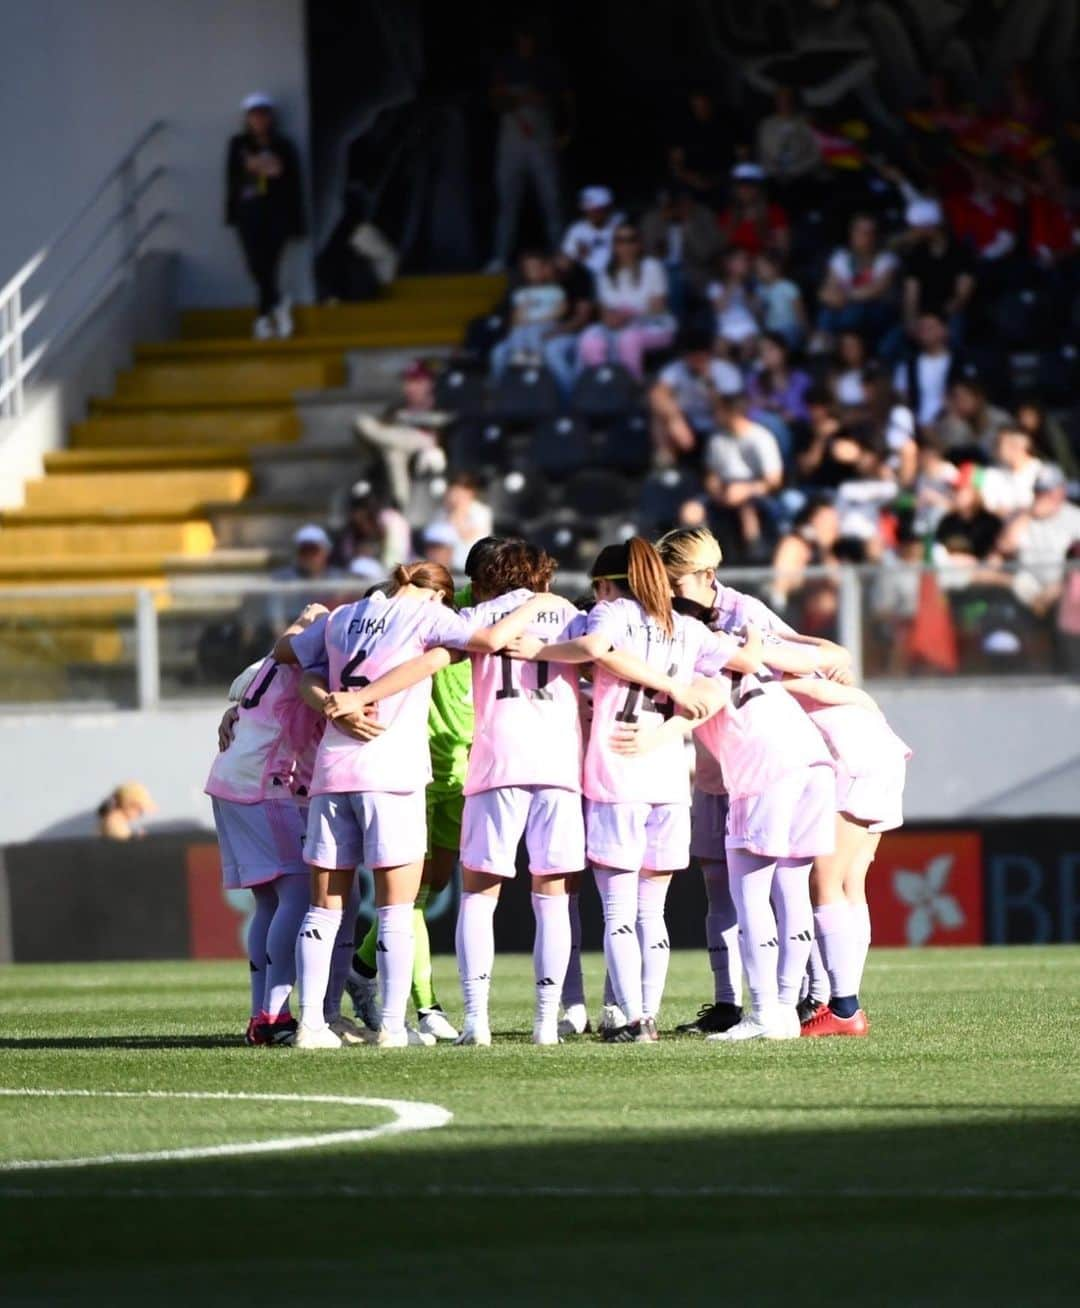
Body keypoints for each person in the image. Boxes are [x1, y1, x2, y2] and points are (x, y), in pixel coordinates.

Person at [273, 560, 547, 1048]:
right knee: (397, 908)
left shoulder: (342, 617)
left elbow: (286, 656)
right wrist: (539, 602)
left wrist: (335, 702)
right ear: (438, 595)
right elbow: (483, 641)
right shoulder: (426, 616)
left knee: (324, 909)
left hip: (333, 773)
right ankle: (395, 1027)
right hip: (392, 774)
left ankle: (311, 1023)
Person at [511, 538, 753, 1043]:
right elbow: (743, 664)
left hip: (617, 772)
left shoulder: (612, 614)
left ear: (607, 584)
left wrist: (541, 650)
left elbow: (594, 649)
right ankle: (646, 1013)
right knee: (652, 913)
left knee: (619, 914)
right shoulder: (686, 627)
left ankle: (634, 1019)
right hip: (669, 777)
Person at [346, 538, 504, 1043]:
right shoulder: (437, 614)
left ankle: (362, 966)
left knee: (431, 887)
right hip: (417, 768)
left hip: (465, 770)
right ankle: (427, 1005)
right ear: (476, 582)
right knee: (408, 895)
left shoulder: (496, 620)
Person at [205, 605, 327, 1046]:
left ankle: (262, 1014)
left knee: (270, 903)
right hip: (264, 784)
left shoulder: (265, 664)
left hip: (227, 780)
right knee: (296, 892)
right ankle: (274, 1015)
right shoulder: (311, 665)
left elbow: (238, 691)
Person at [783, 677, 910, 1037]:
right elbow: (832, 657)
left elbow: (824, 679)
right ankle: (836, 1002)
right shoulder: (805, 655)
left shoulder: (762, 654)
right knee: (851, 879)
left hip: (859, 763)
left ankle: (842, 1006)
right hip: (883, 754)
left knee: (824, 879)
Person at [487, 22, 571, 271]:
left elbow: (564, 98)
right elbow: (496, 99)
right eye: (522, 38)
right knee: (507, 202)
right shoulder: (504, 65)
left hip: (541, 140)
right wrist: (519, 99)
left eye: (531, 38)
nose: (526, 43)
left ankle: (560, 257)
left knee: (551, 200)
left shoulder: (547, 66)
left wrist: (566, 130)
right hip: (512, 140)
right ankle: (499, 257)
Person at [225, 93, 305, 340]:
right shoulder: (239, 144)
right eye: (254, 115)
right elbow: (234, 176)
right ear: (247, 119)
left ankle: (263, 317)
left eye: (263, 115)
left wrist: (262, 166)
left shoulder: (283, 145)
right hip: (249, 211)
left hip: (277, 212)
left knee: (270, 262)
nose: (259, 120)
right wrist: (260, 167)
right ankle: (278, 304)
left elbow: (287, 176)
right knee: (255, 263)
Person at [577, 224, 676, 379]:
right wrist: (611, 319)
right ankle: (604, 383)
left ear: (639, 244)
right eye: (620, 241)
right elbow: (604, 312)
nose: (626, 245)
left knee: (628, 338)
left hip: (654, 324)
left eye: (631, 240)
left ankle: (630, 389)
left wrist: (629, 315)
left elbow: (658, 307)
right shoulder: (604, 272)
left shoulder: (651, 266)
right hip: (617, 326)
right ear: (614, 245)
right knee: (590, 339)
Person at [353, 360, 451, 513]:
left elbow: (446, 427)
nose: (409, 387)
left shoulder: (440, 403)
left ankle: (400, 507)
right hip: (399, 446)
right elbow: (384, 427)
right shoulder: (396, 407)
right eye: (407, 382)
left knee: (391, 447)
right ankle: (402, 505)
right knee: (383, 443)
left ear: (429, 383)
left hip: (426, 447)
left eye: (416, 381)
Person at [703, 392, 785, 560]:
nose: (714, 416)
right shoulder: (717, 440)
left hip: (757, 491)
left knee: (746, 507)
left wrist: (746, 490)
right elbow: (711, 475)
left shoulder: (761, 437)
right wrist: (716, 490)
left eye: (718, 411)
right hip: (724, 490)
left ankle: (755, 560)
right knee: (692, 511)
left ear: (731, 413)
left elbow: (774, 480)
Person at [648, 327, 742, 463]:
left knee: (730, 419)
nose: (694, 361)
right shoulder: (676, 369)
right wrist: (675, 419)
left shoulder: (726, 372)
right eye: (690, 356)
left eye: (699, 357)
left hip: (717, 421)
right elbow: (656, 395)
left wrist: (709, 385)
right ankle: (666, 466)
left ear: (707, 355)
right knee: (658, 417)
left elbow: (733, 409)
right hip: (687, 424)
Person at [998, 464, 1080, 616]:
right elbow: (1005, 547)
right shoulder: (1022, 517)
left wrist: (1059, 587)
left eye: (1048, 491)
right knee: (1016, 582)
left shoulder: (1075, 517)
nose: (1042, 496)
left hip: (1064, 592)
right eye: (1038, 491)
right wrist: (1028, 515)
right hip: (1029, 595)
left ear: (1061, 491)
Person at [815, 213, 899, 349]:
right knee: (827, 311)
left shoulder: (887, 259)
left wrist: (845, 296)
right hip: (846, 309)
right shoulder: (841, 257)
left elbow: (876, 290)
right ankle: (822, 347)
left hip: (878, 312)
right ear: (852, 233)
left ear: (875, 235)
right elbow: (826, 291)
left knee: (854, 310)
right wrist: (832, 296)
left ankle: (843, 348)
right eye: (859, 231)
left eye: (868, 232)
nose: (864, 236)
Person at [899, 200, 976, 346]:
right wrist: (911, 321)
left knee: (954, 327)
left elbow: (962, 296)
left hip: (949, 314)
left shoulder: (961, 252)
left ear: (930, 227)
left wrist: (936, 321)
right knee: (894, 343)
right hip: (923, 314)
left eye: (916, 228)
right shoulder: (915, 254)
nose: (912, 233)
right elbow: (911, 295)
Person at [639, 186, 723, 316]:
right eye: (671, 203)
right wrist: (663, 222)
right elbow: (649, 253)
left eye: (680, 202)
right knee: (671, 277)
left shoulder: (703, 216)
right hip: (660, 273)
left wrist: (688, 224)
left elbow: (706, 254)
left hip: (696, 273)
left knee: (677, 277)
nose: (676, 207)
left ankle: (676, 324)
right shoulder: (653, 218)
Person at [489, 251, 567, 378]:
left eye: (536, 267)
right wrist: (522, 316)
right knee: (506, 342)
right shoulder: (521, 292)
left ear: (545, 269)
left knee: (534, 331)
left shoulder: (555, 290)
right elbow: (515, 319)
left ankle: (535, 356)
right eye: (529, 268)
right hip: (525, 326)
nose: (532, 271)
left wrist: (539, 319)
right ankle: (516, 359)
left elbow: (561, 311)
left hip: (546, 326)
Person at [892, 312, 956, 432]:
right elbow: (902, 397)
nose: (925, 332)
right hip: (917, 423)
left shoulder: (958, 363)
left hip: (949, 420)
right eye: (921, 328)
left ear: (944, 330)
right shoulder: (908, 365)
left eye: (930, 328)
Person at [330, 480, 411, 573]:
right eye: (357, 508)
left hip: (389, 576)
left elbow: (396, 562)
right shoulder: (350, 533)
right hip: (357, 580)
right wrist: (357, 553)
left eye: (365, 507)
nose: (360, 513)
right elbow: (345, 560)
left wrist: (375, 551)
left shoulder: (391, 522)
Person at [717, 164, 790, 258]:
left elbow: (783, 250)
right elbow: (722, 250)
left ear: (760, 188)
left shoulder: (775, 212)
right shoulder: (727, 215)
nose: (745, 190)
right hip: (737, 268)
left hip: (766, 267)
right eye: (740, 185)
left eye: (751, 185)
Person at [756, 86, 822, 190]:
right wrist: (777, 171)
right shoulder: (766, 123)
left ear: (793, 100)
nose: (784, 102)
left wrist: (796, 171)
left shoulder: (806, 122)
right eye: (780, 98)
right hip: (773, 179)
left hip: (803, 178)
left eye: (787, 98)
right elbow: (764, 153)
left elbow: (816, 152)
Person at [935, 375, 1012, 463]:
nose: (959, 402)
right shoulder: (950, 422)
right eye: (956, 397)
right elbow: (950, 453)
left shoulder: (1000, 420)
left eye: (964, 397)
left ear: (979, 398)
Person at [427, 473, 495, 572]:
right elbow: (432, 538)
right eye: (453, 491)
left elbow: (474, 538)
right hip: (445, 563)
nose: (455, 496)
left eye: (460, 492)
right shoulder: (441, 512)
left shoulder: (481, 512)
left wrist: (458, 516)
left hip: (472, 562)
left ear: (470, 493)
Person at [708, 248, 761, 359]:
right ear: (729, 264)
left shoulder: (752, 284)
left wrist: (747, 290)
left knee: (749, 348)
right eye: (740, 260)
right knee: (719, 349)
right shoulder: (716, 285)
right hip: (725, 329)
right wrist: (733, 282)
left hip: (747, 327)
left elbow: (756, 311)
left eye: (745, 260)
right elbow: (720, 309)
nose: (745, 264)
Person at [561, 186, 623, 277]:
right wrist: (577, 255)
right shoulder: (576, 230)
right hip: (587, 277)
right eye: (589, 210)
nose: (593, 214)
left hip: (618, 273)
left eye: (597, 210)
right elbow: (566, 259)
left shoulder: (620, 222)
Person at [755, 251, 806, 349]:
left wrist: (805, 333)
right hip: (770, 331)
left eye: (763, 267)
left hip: (789, 329)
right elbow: (760, 316)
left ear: (776, 267)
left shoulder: (788, 287)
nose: (760, 271)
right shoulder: (760, 290)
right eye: (758, 268)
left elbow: (800, 313)